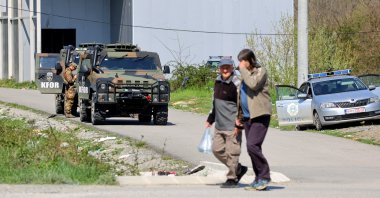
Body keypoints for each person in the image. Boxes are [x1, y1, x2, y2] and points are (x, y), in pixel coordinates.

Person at [206, 59, 248, 188]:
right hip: (219, 125)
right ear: (219, 69)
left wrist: (239, 123)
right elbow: (215, 102)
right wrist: (210, 118)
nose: (225, 70)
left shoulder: (237, 83)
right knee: (216, 149)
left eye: (227, 68)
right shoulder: (217, 81)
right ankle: (238, 168)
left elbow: (243, 104)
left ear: (232, 68)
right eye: (222, 67)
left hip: (232, 126)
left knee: (232, 152)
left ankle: (232, 178)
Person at [236, 49, 272, 191]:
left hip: (260, 115)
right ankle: (258, 179)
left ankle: (264, 175)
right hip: (247, 117)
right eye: (240, 61)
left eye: (243, 60)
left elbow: (253, 84)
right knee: (252, 149)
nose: (241, 64)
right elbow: (241, 97)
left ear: (250, 60)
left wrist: (243, 71)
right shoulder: (243, 77)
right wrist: (238, 117)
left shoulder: (260, 71)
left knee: (252, 145)